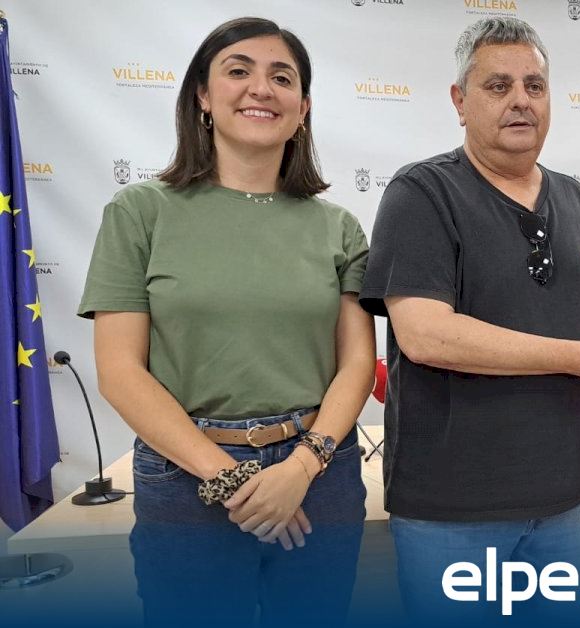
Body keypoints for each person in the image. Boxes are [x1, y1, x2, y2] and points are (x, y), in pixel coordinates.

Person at [77, 17, 374, 627]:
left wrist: (300, 467)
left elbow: (357, 364)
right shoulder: (140, 212)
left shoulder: (339, 228)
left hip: (319, 476)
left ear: (303, 109)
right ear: (203, 97)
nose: (261, 88)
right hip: (185, 478)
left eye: (282, 78)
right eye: (239, 71)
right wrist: (234, 481)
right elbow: (119, 372)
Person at [357, 17, 580, 622]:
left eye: (534, 86)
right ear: (460, 101)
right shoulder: (422, 192)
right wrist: (577, 356)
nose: (520, 100)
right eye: (498, 86)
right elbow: (426, 335)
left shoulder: (574, 196)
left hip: (573, 500)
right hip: (454, 511)